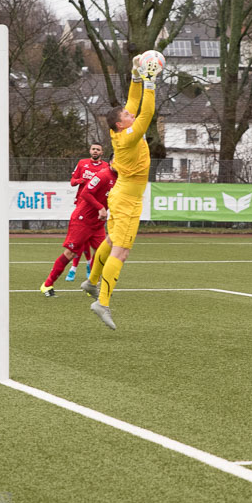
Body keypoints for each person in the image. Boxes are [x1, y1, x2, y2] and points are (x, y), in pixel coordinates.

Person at [81, 53, 159, 329]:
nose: (130, 114)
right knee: (122, 251)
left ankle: (91, 283)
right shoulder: (129, 135)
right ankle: (102, 302)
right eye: (127, 115)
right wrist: (150, 83)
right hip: (127, 199)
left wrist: (137, 77)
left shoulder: (120, 130)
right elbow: (147, 112)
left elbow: (134, 104)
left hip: (121, 194)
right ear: (121, 124)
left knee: (113, 241)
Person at [40, 161, 117, 298]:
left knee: (101, 253)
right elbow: (86, 193)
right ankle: (47, 284)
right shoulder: (103, 175)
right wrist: (100, 208)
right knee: (70, 253)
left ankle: (92, 285)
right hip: (82, 220)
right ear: (111, 162)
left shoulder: (122, 178)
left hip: (97, 223)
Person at [65, 142, 108, 281]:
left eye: (98, 150)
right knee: (81, 239)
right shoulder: (82, 163)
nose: (95, 151)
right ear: (90, 150)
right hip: (81, 204)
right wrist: (79, 180)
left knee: (92, 240)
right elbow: (72, 181)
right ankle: (76, 268)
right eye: (93, 149)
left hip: (97, 206)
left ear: (102, 153)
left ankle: (89, 267)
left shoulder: (106, 167)